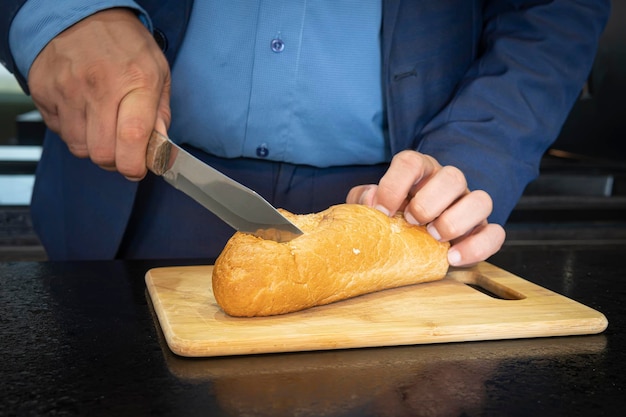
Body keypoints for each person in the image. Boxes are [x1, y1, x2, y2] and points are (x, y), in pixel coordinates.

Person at [0, 1, 610, 264]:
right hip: (131, 199)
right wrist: (60, 12)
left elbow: (552, 12)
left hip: (389, 207)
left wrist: (470, 155)